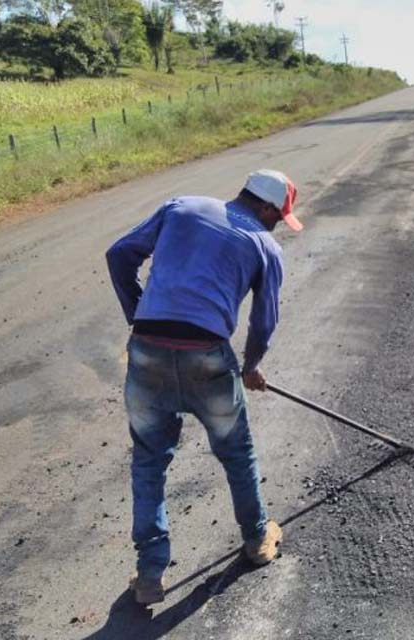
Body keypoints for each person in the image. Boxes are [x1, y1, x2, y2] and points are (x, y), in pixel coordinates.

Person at [106, 169, 302, 605]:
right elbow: (264, 321)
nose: (277, 226)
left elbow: (119, 254)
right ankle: (256, 539)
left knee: (149, 461)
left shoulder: (183, 207)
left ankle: (150, 572)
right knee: (236, 452)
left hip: (147, 350)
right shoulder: (263, 244)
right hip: (206, 356)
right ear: (268, 207)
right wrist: (251, 366)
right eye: (280, 216)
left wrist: (138, 315)